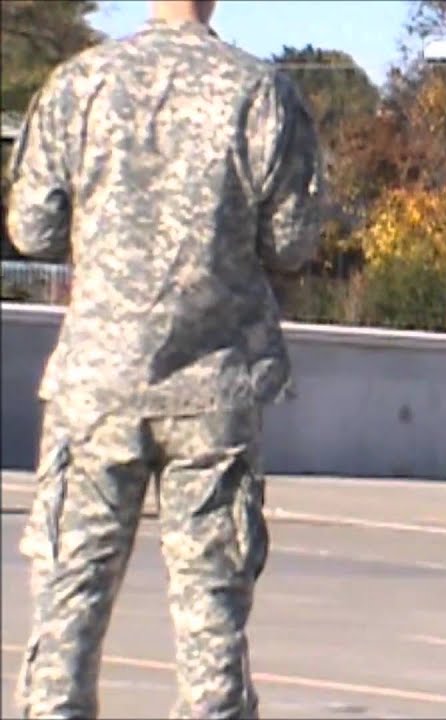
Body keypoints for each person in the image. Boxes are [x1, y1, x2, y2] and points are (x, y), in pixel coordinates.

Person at [6, 1, 323, 716]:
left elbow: (31, 227)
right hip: (214, 393)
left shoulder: (79, 83)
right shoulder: (259, 93)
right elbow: (293, 242)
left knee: (67, 617)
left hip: (98, 387)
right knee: (211, 628)